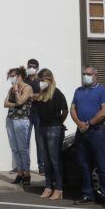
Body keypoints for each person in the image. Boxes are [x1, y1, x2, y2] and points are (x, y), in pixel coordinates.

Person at [71, 66, 105, 206]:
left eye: (89, 74)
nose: (86, 76)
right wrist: (78, 123)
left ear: (95, 75)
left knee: (101, 164)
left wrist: (89, 123)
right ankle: (87, 194)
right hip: (81, 131)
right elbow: (72, 109)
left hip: (96, 131)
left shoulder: (103, 91)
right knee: (83, 164)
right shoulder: (78, 91)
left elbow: (104, 111)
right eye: (84, 74)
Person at [32, 68, 67, 200]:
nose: (42, 82)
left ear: (50, 80)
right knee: (45, 159)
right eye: (40, 80)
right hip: (42, 127)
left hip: (54, 128)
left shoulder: (57, 93)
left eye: (44, 80)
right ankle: (48, 186)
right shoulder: (39, 95)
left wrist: (58, 123)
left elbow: (65, 110)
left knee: (54, 159)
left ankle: (58, 188)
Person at [4, 66, 34, 186]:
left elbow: (22, 101)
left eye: (13, 76)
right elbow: (5, 103)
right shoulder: (11, 89)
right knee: (14, 148)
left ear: (20, 76)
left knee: (23, 148)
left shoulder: (28, 88)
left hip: (22, 120)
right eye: (10, 76)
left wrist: (16, 90)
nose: (11, 78)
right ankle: (20, 172)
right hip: (11, 119)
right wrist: (15, 102)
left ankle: (27, 173)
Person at [25, 58, 46, 175]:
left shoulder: (41, 81)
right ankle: (24, 165)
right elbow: (21, 94)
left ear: (37, 68)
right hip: (26, 114)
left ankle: (41, 166)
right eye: (29, 66)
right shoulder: (24, 80)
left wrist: (30, 95)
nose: (31, 68)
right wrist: (33, 96)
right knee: (25, 141)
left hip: (38, 114)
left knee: (40, 141)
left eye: (33, 66)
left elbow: (43, 96)